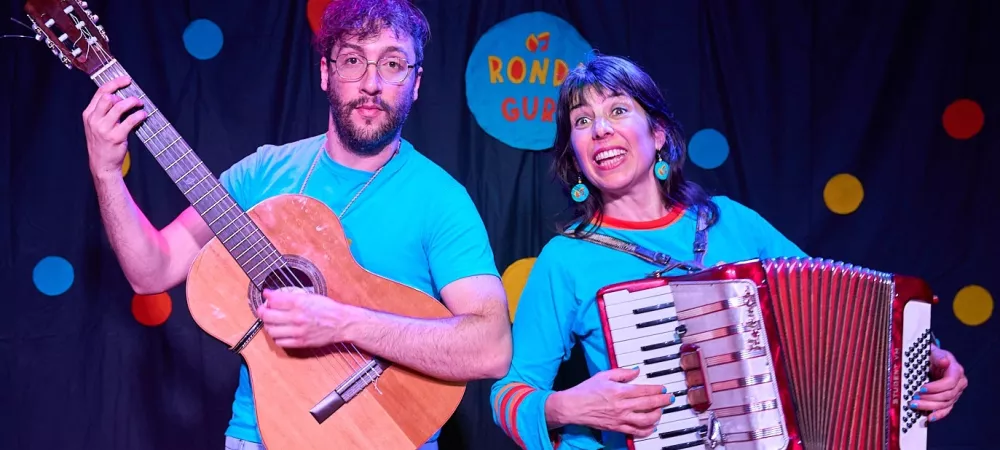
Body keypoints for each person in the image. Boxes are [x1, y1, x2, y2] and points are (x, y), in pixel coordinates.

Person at [80, 0, 513, 449]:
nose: (371, 83)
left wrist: (344, 323)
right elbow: (150, 271)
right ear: (326, 73)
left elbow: (491, 347)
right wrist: (106, 172)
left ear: (416, 83)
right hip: (262, 436)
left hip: (386, 436)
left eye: (392, 63)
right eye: (352, 61)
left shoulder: (440, 201)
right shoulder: (261, 175)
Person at [489, 54, 969, 450]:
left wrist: (926, 359)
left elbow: (846, 320)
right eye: (582, 121)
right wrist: (566, 407)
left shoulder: (729, 220)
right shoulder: (566, 259)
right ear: (574, 155)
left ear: (657, 135)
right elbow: (508, 393)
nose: (600, 130)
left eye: (618, 110)